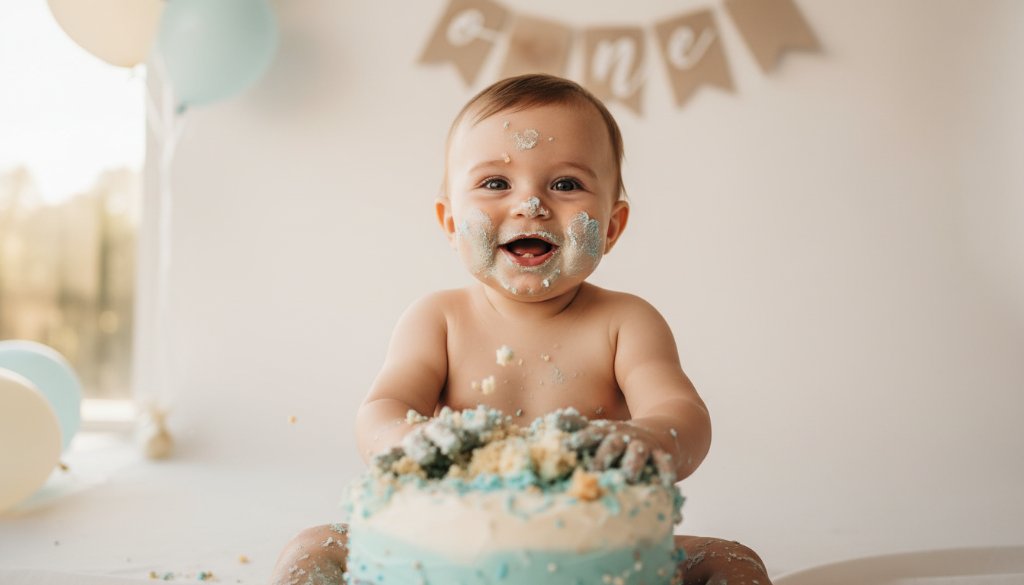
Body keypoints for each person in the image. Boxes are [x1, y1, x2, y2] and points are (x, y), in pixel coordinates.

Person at [270, 74, 770, 585]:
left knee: (732, 560)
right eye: (495, 184)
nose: (530, 205)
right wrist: (409, 439)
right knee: (311, 549)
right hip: (450, 546)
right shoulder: (439, 320)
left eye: (565, 184)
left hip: (594, 548)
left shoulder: (626, 323)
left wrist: (646, 439)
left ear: (612, 226)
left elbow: (683, 413)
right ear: (450, 223)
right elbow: (380, 411)